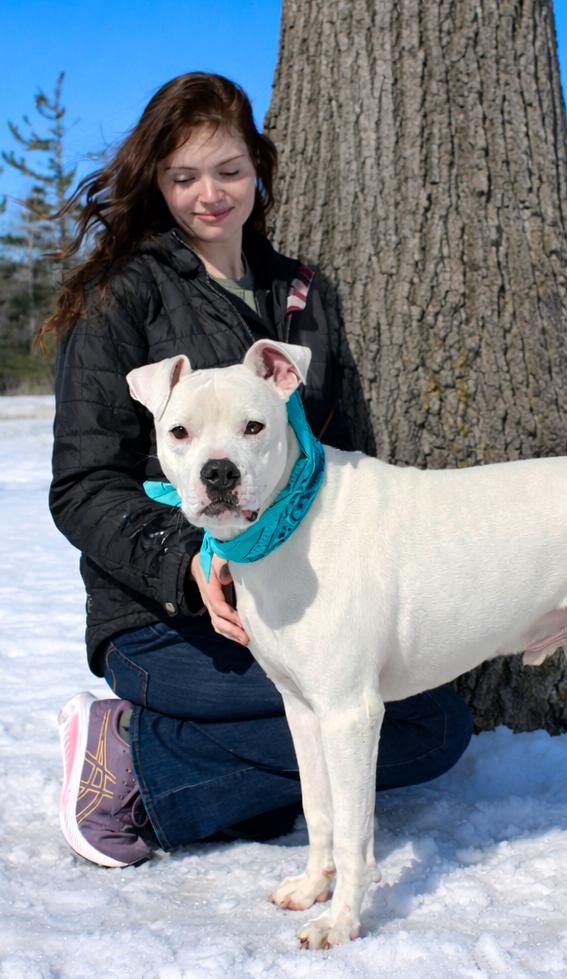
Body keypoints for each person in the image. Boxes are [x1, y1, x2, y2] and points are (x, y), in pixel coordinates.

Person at [44, 72, 472, 868]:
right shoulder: (121, 297)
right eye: (183, 176)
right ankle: (128, 760)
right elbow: (81, 486)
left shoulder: (299, 293)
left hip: (299, 587)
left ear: (259, 169)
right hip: (160, 615)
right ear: (157, 181)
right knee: (342, 712)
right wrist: (188, 560)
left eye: (228, 170)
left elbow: (345, 450)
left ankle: (163, 756)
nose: (209, 194)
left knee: (430, 723)